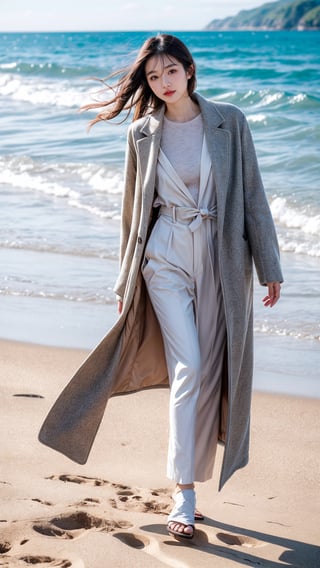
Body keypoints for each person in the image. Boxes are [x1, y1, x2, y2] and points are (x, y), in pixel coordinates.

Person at [39, 34, 283, 540]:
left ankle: (190, 482)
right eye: (153, 76)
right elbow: (132, 214)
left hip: (221, 258)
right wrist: (126, 277)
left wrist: (270, 265)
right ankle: (184, 492)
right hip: (165, 255)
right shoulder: (142, 132)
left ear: (190, 71)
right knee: (188, 367)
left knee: (211, 373)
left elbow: (254, 195)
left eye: (171, 71)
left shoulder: (230, 121)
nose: (163, 82)